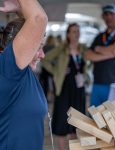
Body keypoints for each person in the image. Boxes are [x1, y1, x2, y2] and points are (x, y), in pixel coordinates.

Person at [0, 0, 48, 150]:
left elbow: (33, 26)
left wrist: (20, 9)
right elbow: (38, 19)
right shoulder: (9, 70)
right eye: (38, 47)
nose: (42, 54)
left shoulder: (20, 70)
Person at [42, 23, 87, 150]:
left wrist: (87, 74)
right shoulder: (62, 48)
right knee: (62, 117)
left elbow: (88, 64)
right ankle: (62, 148)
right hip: (64, 88)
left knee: (77, 120)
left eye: (78, 31)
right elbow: (45, 59)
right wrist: (56, 71)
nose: (76, 33)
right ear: (68, 34)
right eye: (73, 31)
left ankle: (73, 147)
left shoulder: (83, 49)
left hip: (79, 89)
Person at [86, 4, 115, 106]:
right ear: (103, 16)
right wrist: (109, 53)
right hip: (98, 82)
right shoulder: (99, 36)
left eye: (111, 14)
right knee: (95, 117)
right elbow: (88, 55)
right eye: (106, 14)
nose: (108, 17)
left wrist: (98, 49)